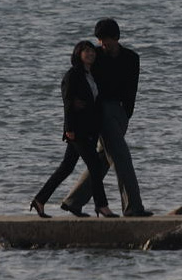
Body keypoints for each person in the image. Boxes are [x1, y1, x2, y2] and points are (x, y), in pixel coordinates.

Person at [59, 18, 153, 217]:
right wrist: (76, 104)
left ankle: (73, 201)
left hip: (119, 113)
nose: (102, 43)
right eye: (100, 39)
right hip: (99, 112)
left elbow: (132, 90)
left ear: (116, 37)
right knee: (122, 158)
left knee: (103, 159)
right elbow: (77, 74)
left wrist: (126, 115)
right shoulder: (95, 56)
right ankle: (133, 207)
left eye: (105, 39)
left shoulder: (131, 58)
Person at [30, 40, 118, 218]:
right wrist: (69, 129)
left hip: (90, 129)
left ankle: (39, 200)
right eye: (86, 51)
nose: (90, 54)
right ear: (78, 54)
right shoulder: (73, 75)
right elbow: (68, 102)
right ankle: (101, 205)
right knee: (95, 165)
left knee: (66, 167)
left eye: (92, 51)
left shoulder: (91, 75)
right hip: (77, 130)